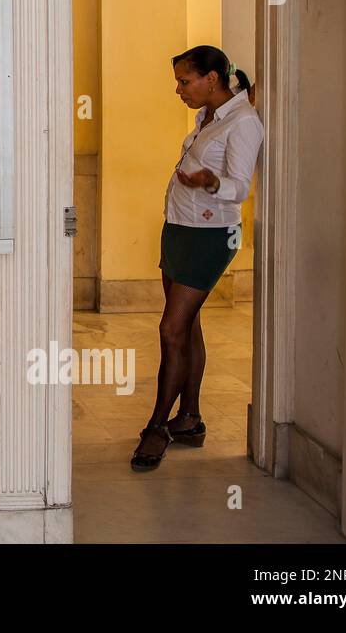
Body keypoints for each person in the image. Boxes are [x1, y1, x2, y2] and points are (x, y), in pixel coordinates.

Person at [131, 45, 264, 473]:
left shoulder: (243, 122)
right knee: (188, 328)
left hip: (210, 236)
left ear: (212, 78)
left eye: (185, 81)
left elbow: (240, 187)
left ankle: (157, 427)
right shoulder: (207, 116)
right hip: (180, 229)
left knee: (171, 330)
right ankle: (189, 418)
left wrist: (210, 182)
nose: (179, 89)